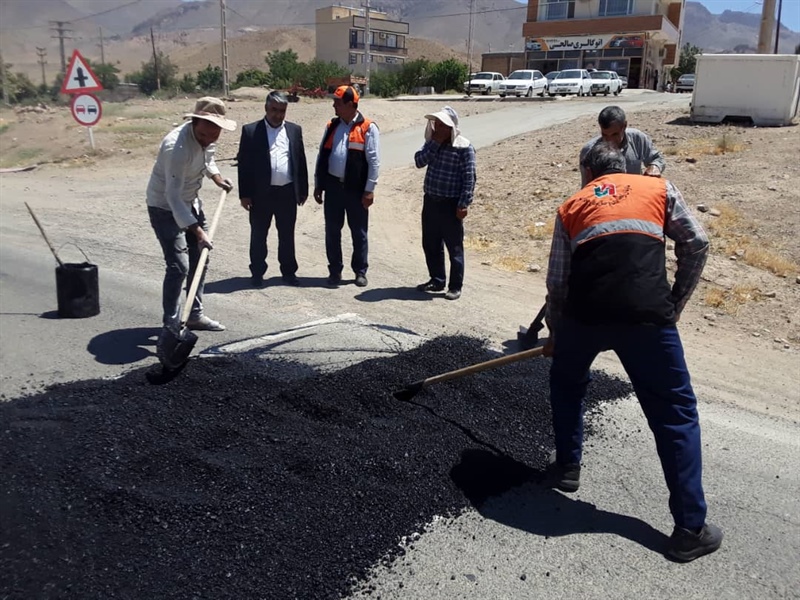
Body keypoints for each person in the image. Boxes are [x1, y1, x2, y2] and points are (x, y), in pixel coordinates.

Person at [542, 141, 722, 563]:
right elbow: (696, 244)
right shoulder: (657, 188)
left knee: (567, 384)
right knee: (674, 414)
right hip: (646, 318)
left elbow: (557, 281)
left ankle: (567, 468)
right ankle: (689, 530)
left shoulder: (572, 205)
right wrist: (674, 304)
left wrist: (557, 331)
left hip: (586, 316)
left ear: (587, 171)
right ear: (625, 165)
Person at [146, 96, 235, 336]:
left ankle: (194, 315)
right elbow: (173, 197)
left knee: (200, 259)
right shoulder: (176, 147)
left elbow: (208, 160)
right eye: (204, 135)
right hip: (164, 206)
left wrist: (217, 178)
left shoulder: (210, 138)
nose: (208, 140)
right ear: (195, 122)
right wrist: (198, 231)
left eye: (214, 135)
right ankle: (171, 323)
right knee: (179, 266)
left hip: (191, 203)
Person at [237, 91, 309, 288]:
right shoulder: (251, 131)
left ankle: (288, 272)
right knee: (259, 235)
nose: (278, 115)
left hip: (286, 192)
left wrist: (302, 189)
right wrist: (245, 194)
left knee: (287, 235)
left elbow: (300, 160)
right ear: (266, 108)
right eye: (274, 110)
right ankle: (257, 273)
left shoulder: (294, 130)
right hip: (262, 193)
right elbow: (244, 166)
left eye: (282, 111)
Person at [313, 85, 380, 288]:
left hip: (356, 189)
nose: (334, 105)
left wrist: (369, 190)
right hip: (333, 187)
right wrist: (319, 184)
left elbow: (374, 162)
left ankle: (360, 271)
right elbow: (321, 156)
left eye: (338, 102)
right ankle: (335, 271)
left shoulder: (368, 127)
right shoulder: (332, 126)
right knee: (332, 231)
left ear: (350, 104)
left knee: (358, 232)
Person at [413, 106, 476, 301]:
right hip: (431, 201)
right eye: (436, 124)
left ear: (451, 127)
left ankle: (455, 286)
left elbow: (469, 178)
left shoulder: (464, 147)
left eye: (441, 125)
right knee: (430, 243)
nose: (437, 128)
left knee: (454, 247)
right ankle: (437, 279)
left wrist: (464, 204)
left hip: (451, 205)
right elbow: (419, 161)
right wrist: (434, 144)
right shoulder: (432, 143)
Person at [579, 105, 666, 186]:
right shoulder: (589, 151)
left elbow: (657, 158)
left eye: (615, 134)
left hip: (634, 194)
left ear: (624, 126)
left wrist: (655, 167)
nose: (610, 141)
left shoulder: (637, 139)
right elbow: (586, 188)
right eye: (605, 135)